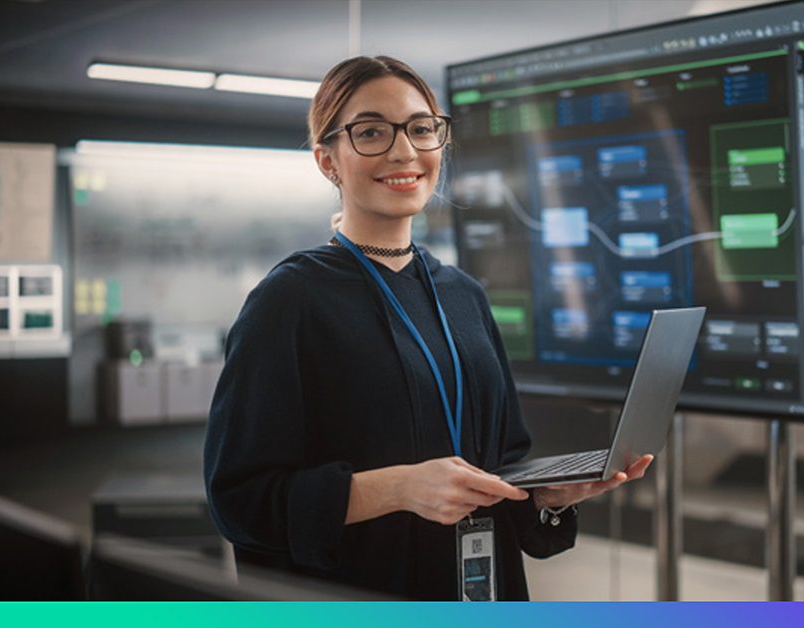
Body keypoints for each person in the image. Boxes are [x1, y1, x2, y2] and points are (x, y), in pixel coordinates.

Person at [203, 55, 652, 601]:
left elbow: (507, 458)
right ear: (328, 161)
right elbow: (241, 502)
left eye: (421, 129)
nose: (404, 151)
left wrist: (544, 495)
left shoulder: (464, 295)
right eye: (371, 132)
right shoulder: (289, 301)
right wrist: (397, 488)